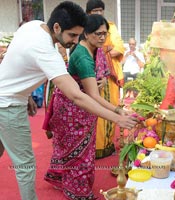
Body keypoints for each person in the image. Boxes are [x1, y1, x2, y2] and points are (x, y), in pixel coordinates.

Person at [0, 2, 136, 200]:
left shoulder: (33, 26)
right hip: (8, 105)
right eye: (72, 35)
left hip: (8, 96)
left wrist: (25, 92)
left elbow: (15, 59)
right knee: (25, 165)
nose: (74, 41)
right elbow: (76, 95)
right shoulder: (48, 53)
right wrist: (117, 118)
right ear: (57, 27)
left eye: (78, 35)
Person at [44, 14, 119, 200]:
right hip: (74, 109)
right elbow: (92, 94)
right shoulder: (83, 57)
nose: (102, 37)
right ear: (86, 33)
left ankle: (65, 181)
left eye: (105, 33)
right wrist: (117, 112)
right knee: (80, 155)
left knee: (74, 149)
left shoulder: (88, 50)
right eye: (98, 33)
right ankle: (78, 193)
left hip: (75, 106)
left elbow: (90, 86)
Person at [86, 0, 126, 159]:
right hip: (89, 74)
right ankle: (89, 147)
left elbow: (119, 49)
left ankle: (106, 145)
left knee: (109, 108)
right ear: (88, 13)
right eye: (94, 11)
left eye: (100, 10)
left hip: (108, 77)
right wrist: (105, 48)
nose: (98, 14)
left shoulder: (110, 27)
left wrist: (102, 51)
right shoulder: (84, 28)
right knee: (91, 110)